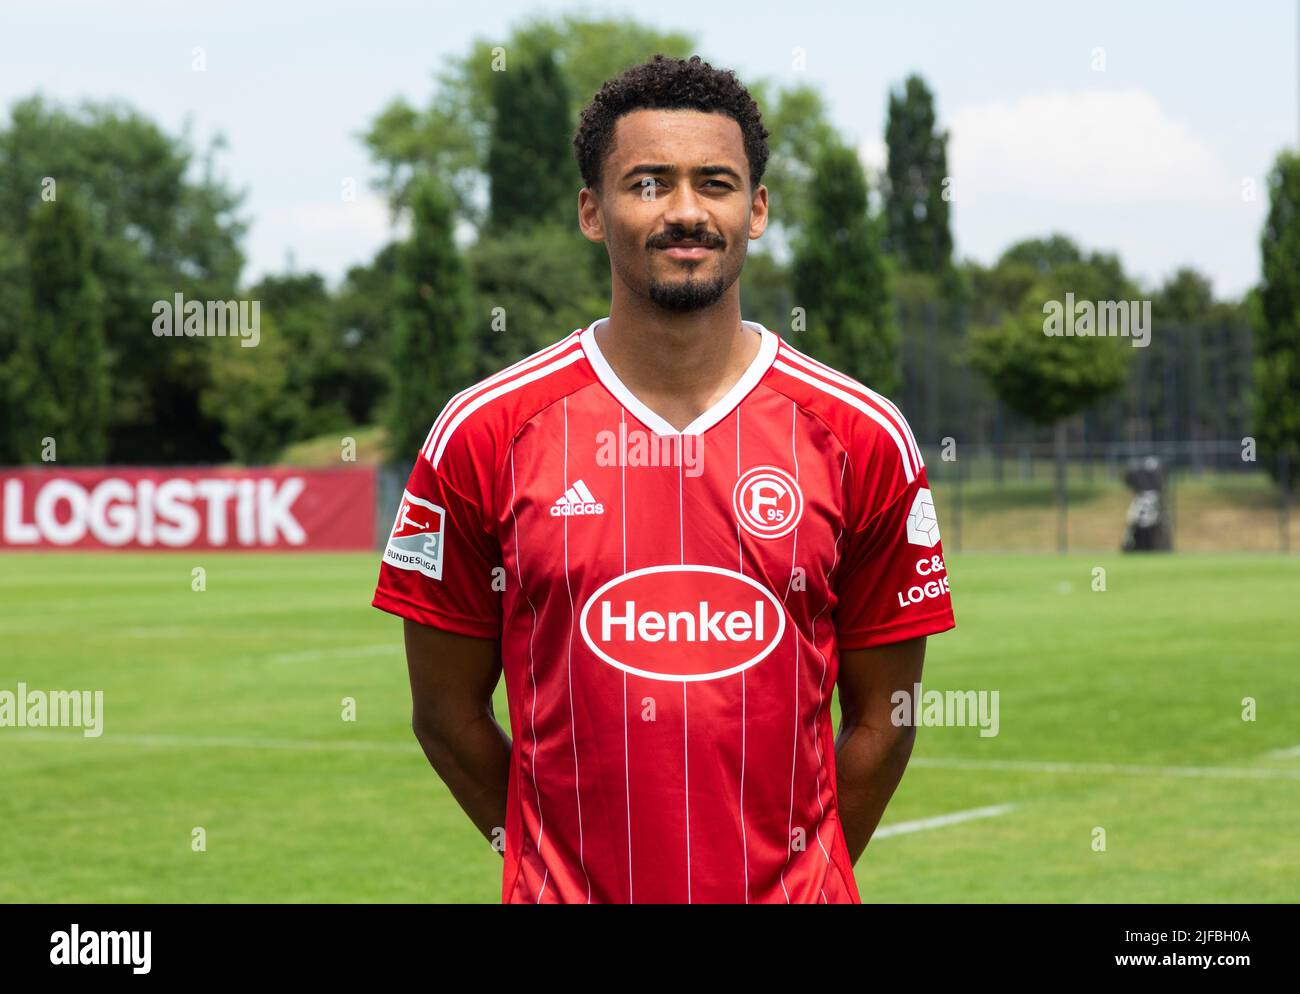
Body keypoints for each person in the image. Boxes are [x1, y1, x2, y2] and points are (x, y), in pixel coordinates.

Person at [372, 53, 956, 903]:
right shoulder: (485, 432)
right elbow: (446, 716)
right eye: (647, 183)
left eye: (714, 183)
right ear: (592, 211)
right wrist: (548, 866)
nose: (686, 211)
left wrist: (803, 879)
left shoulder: (862, 435)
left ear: (755, 210)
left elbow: (884, 720)